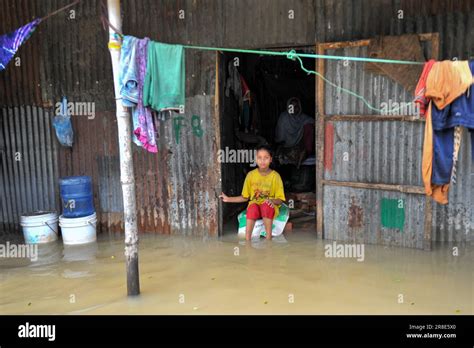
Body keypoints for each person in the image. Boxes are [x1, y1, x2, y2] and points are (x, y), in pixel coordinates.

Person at [219, 145, 286, 241]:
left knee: (265, 205)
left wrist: (271, 200)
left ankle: (268, 239)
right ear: (255, 159)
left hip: (269, 208)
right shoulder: (250, 175)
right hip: (255, 208)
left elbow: (280, 200)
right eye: (259, 158)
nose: (262, 161)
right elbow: (245, 197)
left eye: (266, 158)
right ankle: (247, 240)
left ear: (271, 159)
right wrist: (228, 199)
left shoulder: (275, 176)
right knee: (252, 207)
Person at [274, 97, 314, 167]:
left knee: (302, 152)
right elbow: (280, 138)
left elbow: (312, 121)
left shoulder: (301, 117)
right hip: (285, 146)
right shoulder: (284, 117)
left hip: (297, 146)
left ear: (300, 107)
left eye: (296, 106)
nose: (294, 108)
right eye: (291, 106)